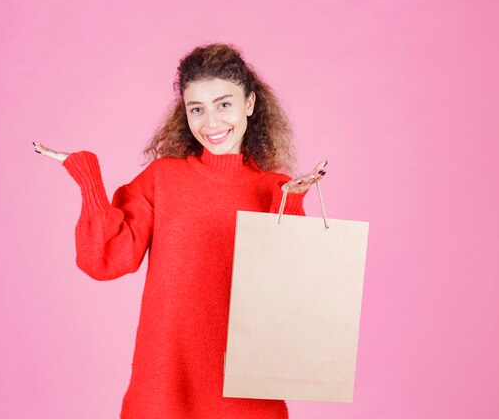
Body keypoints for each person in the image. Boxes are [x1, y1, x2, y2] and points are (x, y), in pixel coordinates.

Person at [33, 43, 326, 418]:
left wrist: (293, 203)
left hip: (247, 391)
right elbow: (104, 260)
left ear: (250, 103)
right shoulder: (163, 179)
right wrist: (87, 177)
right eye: (197, 109)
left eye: (224, 104)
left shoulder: (277, 188)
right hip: (165, 385)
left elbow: (292, 293)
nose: (212, 123)